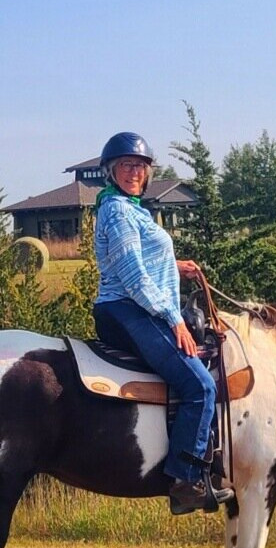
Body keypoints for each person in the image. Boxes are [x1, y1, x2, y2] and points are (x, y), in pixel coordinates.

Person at [91, 132, 234, 515]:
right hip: (130, 309)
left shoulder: (130, 208)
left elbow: (134, 258)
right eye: (126, 165)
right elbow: (133, 276)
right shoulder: (118, 211)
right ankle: (185, 481)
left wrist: (174, 265)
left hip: (130, 306)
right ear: (111, 171)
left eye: (140, 166)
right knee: (200, 386)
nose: (134, 172)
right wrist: (175, 321)